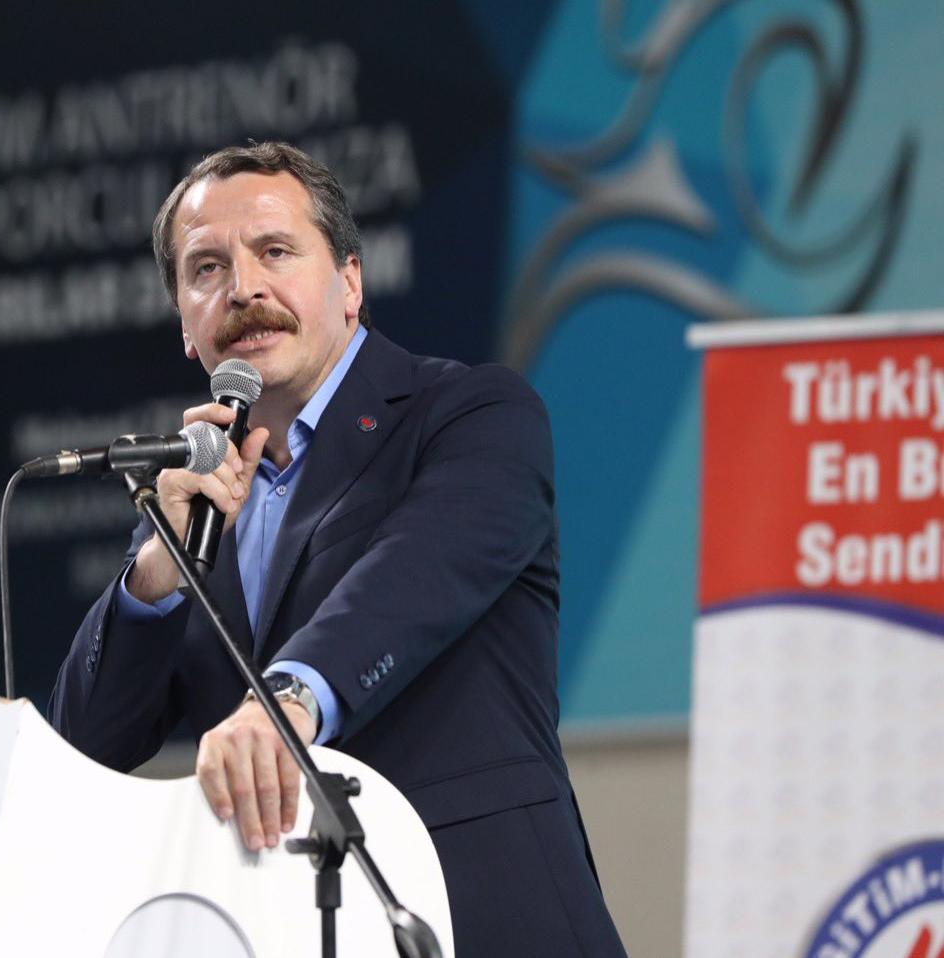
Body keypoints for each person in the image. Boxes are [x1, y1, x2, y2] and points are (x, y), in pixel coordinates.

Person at [48, 142, 626, 956]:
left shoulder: (471, 414)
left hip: (484, 916)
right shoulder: (192, 498)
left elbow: (414, 577)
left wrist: (286, 700)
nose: (243, 288)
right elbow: (84, 750)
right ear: (184, 323)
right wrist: (153, 574)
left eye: (275, 251)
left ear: (350, 282)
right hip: (295, 929)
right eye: (207, 268)